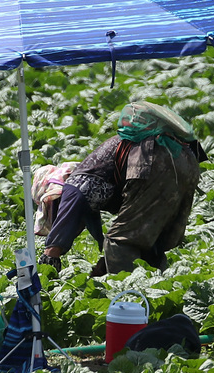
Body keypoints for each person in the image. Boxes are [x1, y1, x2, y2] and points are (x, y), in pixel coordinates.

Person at [37, 102, 205, 276]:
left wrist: (51, 254)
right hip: (187, 160)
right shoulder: (95, 170)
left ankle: (126, 292)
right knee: (152, 237)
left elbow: (73, 208)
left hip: (152, 162)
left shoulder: (74, 184)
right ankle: (156, 283)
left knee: (120, 241)